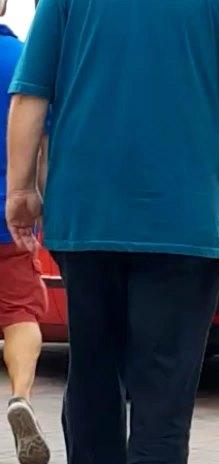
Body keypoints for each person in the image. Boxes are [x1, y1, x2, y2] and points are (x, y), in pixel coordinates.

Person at [6, 0, 219, 462]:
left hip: (86, 219)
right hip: (182, 222)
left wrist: (21, 189)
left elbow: (30, 95)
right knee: (163, 393)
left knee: (93, 376)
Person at [0, 1, 50, 463]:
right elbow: (42, 140)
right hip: (8, 221)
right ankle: (20, 395)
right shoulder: (22, 59)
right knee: (19, 311)